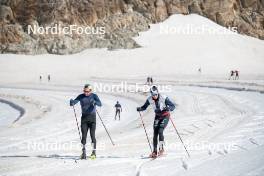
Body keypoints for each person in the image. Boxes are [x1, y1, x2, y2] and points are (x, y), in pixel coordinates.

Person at [137, 86, 175, 158]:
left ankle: (161, 149)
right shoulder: (149, 99)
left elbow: (173, 106)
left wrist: (168, 108)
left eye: (156, 94)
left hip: (165, 115)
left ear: (158, 93)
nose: (154, 96)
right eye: (153, 95)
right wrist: (140, 109)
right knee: (155, 133)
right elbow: (144, 107)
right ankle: (154, 151)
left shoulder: (163, 97)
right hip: (157, 116)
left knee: (160, 130)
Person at [70, 84, 102, 159]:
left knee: (92, 135)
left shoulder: (94, 96)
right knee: (84, 135)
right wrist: (72, 102)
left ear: (90, 91)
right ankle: (83, 152)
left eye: (87, 91)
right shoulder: (81, 96)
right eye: (84, 91)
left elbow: (100, 104)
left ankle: (94, 152)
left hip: (92, 118)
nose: (85, 92)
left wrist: (95, 102)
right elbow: (74, 102)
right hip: (84, 118)